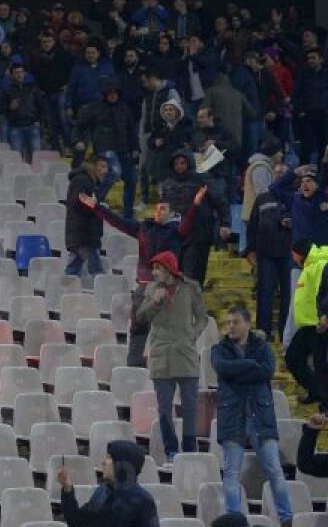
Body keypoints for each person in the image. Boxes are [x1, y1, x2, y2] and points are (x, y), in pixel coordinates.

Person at [80, 188, 202, 367]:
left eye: (163, 209)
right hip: (144, 287)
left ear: (172, 214)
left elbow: (189, 222)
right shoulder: (144, 228)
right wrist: (96, 207)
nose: (159, 211)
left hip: (168, 290)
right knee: (138, 330)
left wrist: (196, 204)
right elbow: (118, 221)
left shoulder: (177, 231)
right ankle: (133, 367)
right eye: (157, 208)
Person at [212, 305, 295, 527]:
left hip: (260, 415)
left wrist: (237, 372)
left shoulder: (263, 347)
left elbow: (266, 371)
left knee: (275, 470)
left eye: (235, 322)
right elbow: (222, 368)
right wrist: (250, 365)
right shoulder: (219, 349)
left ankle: (287, 521)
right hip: (232, 416)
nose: (230, 326)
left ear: (248, 324)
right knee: (231, 474)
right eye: (228, 322)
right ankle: (235, 525)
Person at [138, 250, 208, 461]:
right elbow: (141, 317)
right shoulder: (151, 289)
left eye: (158, 268)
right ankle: (171, 452)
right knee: (164, 409)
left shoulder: (190, 288)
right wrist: (154, 302)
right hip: (161, 356)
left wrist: (192, 336)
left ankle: (189, 450)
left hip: (185, 354)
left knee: (190, 407)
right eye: (153, 268)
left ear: (169, 269)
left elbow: (202, 318)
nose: (154, 272)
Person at [161, 148, 233, 287]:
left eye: (183, 163)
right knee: (175, 276)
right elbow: (163, 207)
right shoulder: (168, 183)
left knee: (192, 277)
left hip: (198, 235)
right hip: (174, 236)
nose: (179, 166)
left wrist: (226, 223)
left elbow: (220, 201)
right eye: (176, 163)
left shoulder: (202, 179)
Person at [73, 77, 138, 219]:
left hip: (123, 150)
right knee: (114, 172)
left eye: (115, 93)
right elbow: (80, 125)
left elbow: (131, 130)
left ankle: (128, 214)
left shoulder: (124, 108)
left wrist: (135, 148)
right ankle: (93, 201)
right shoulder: (95, 107)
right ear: (105, 94)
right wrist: (78, 140)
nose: (113, 95)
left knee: (132, 179)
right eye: (110, 93)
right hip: (105, 149)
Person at [246, 163, 294, 339]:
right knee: (265, 293)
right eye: (277, 172)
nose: (279, 175)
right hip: (265, 252)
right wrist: (251, 249)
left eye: (283, 173)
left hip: (289, 253)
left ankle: (284, 332)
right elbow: (253, 224)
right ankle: (263, 332)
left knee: (288, 295)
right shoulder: (262, 198)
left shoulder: (294, 197)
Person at [286, 241, 328, 407]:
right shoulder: (309, 266)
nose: (292, 258)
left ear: (299, 253)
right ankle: (315, 391)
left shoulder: (319, 265)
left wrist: (323, 316)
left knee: (320, 366)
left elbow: (323, 293)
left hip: (318, 325)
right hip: (308, 324)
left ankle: (324, 403)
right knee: (294, 358)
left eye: (293, 254)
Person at [64, 155, 108, 280]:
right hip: (85, 235)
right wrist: (96, 206)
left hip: (81, 235)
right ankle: (104, 290)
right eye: (102, 166)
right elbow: (79, 201)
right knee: (96, 271)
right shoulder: (83, 181)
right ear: (93, 166)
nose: (106, 171)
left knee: (73, 270)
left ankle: (62, 288)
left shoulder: (86, 181)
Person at [0, 59, 48, 164]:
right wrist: (9, 107)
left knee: (36, 159)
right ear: (11, 75)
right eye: (16, 73)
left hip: (32, 126)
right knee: (17, 160)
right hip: (16, 128)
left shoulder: (32, 87)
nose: (19, 75)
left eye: (21, 72)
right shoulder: (8, 90)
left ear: (24, 73)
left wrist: (39, 121)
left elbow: (41, 105)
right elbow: (0, 109)